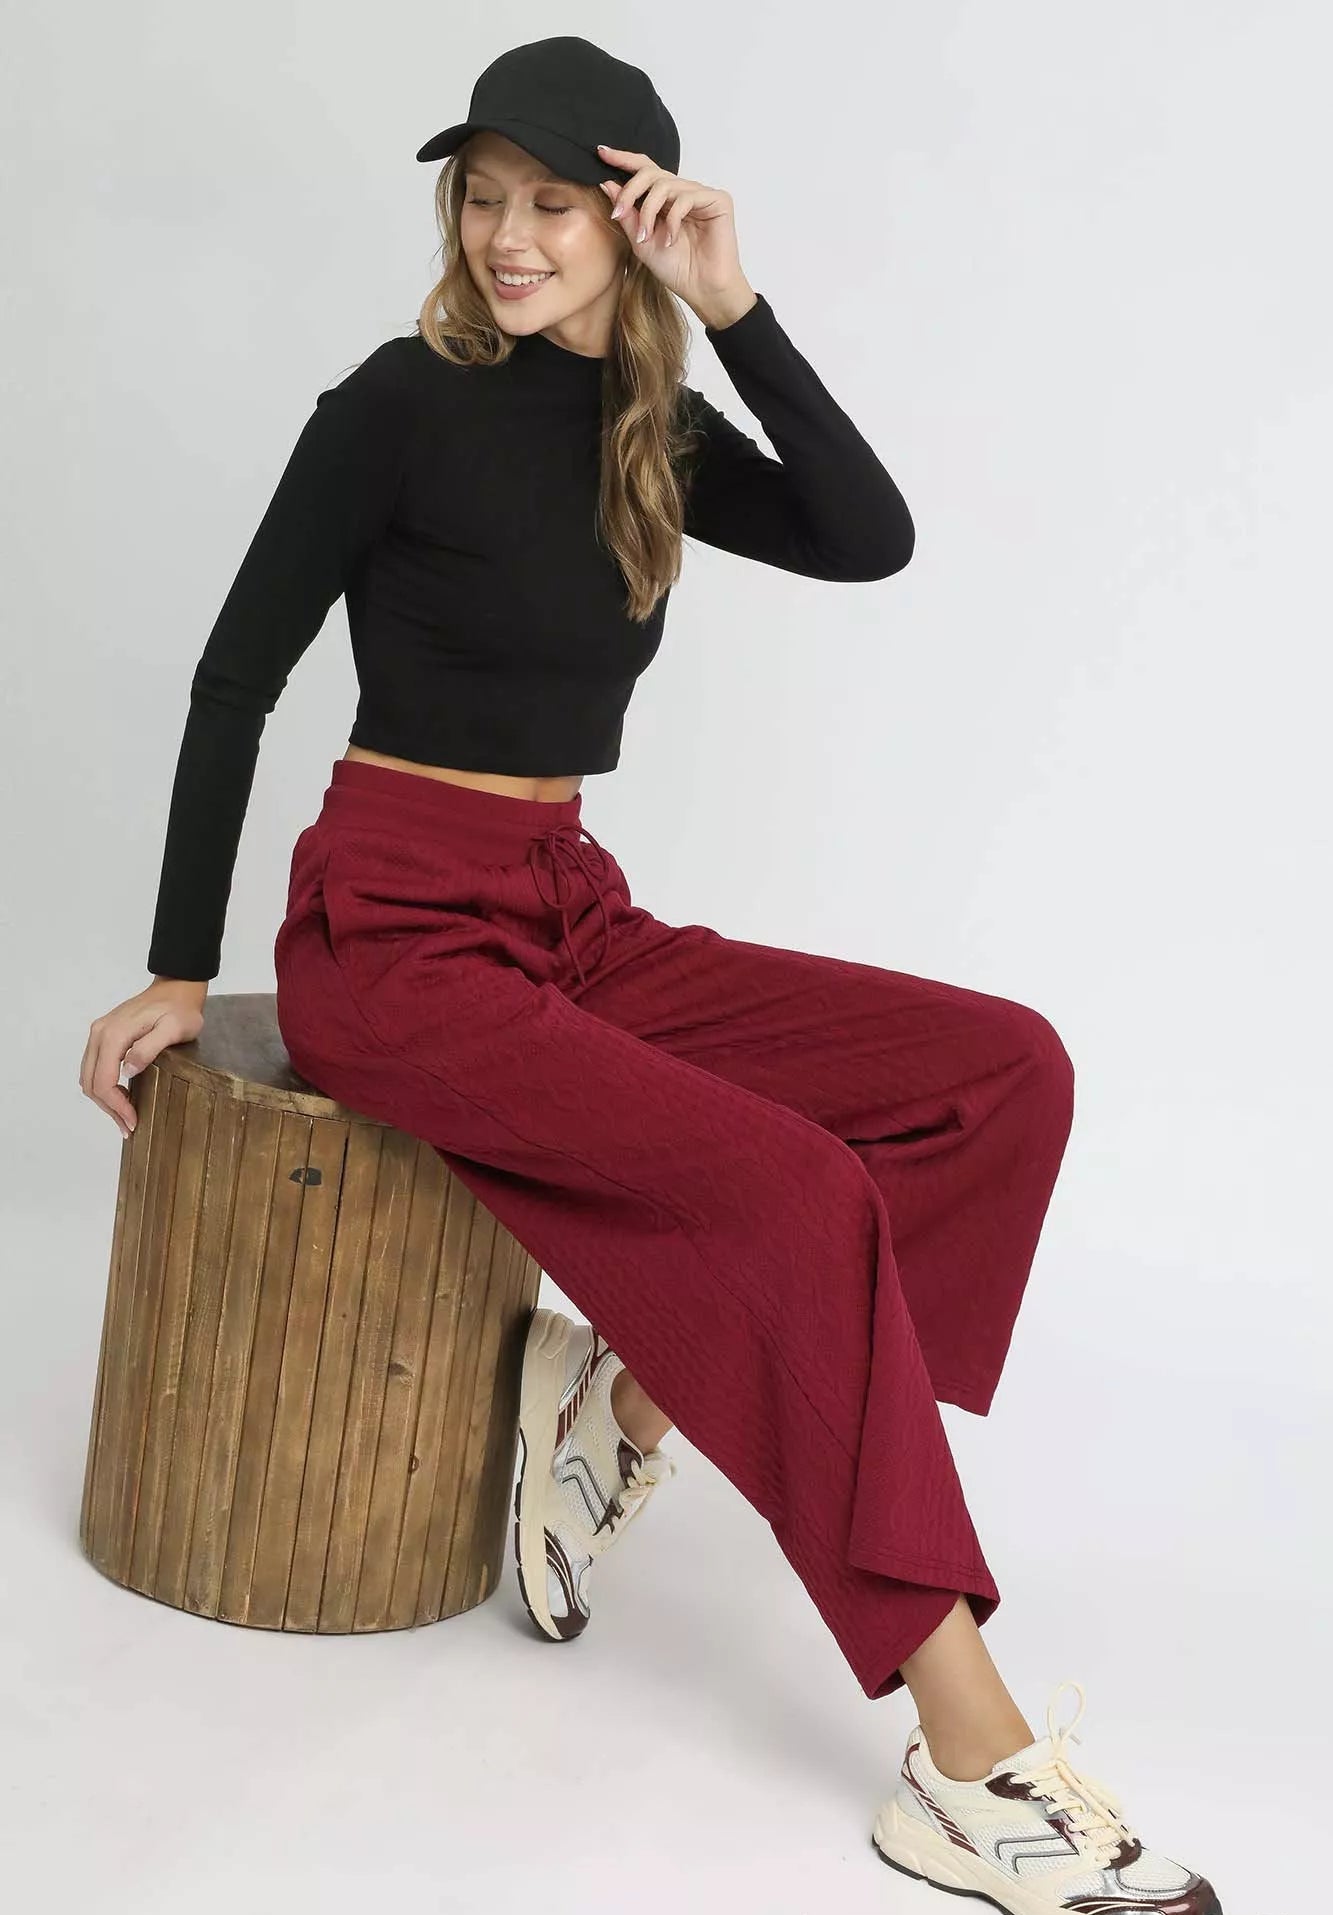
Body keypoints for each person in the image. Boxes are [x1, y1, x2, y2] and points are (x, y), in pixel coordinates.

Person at [79, 36, 1223, 1915]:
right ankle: (968, 1754)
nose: (508, 239)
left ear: (630, 220)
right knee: (792, 1189)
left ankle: (615, 1420)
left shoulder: (648, 428)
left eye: (552, 204)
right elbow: (235, 679)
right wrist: (178, 968)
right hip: (392, 923)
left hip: (563, 904)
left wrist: (737, 307)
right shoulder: (393, 401)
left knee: (1000, 1069)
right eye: (481, 198)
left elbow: (870, 538)